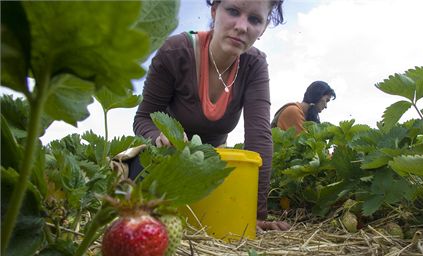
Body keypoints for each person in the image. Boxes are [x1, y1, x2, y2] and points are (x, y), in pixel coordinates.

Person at [132, 0, 290, 231]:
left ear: (264, 28)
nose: (241, 26)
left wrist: (253, 213)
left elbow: (259, 138)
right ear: (215, 10)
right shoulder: (175, 53)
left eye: (255, 19)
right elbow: (143, 118)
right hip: (167, 160)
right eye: (233, 11)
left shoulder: (254, 65)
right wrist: (158, 136)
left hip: (211, 167)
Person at [271, 81, 336, 133]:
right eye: (326, 100)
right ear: (318, 96)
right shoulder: (293, 111)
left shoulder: (305, 117)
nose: (326, 106)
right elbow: (304, 147)